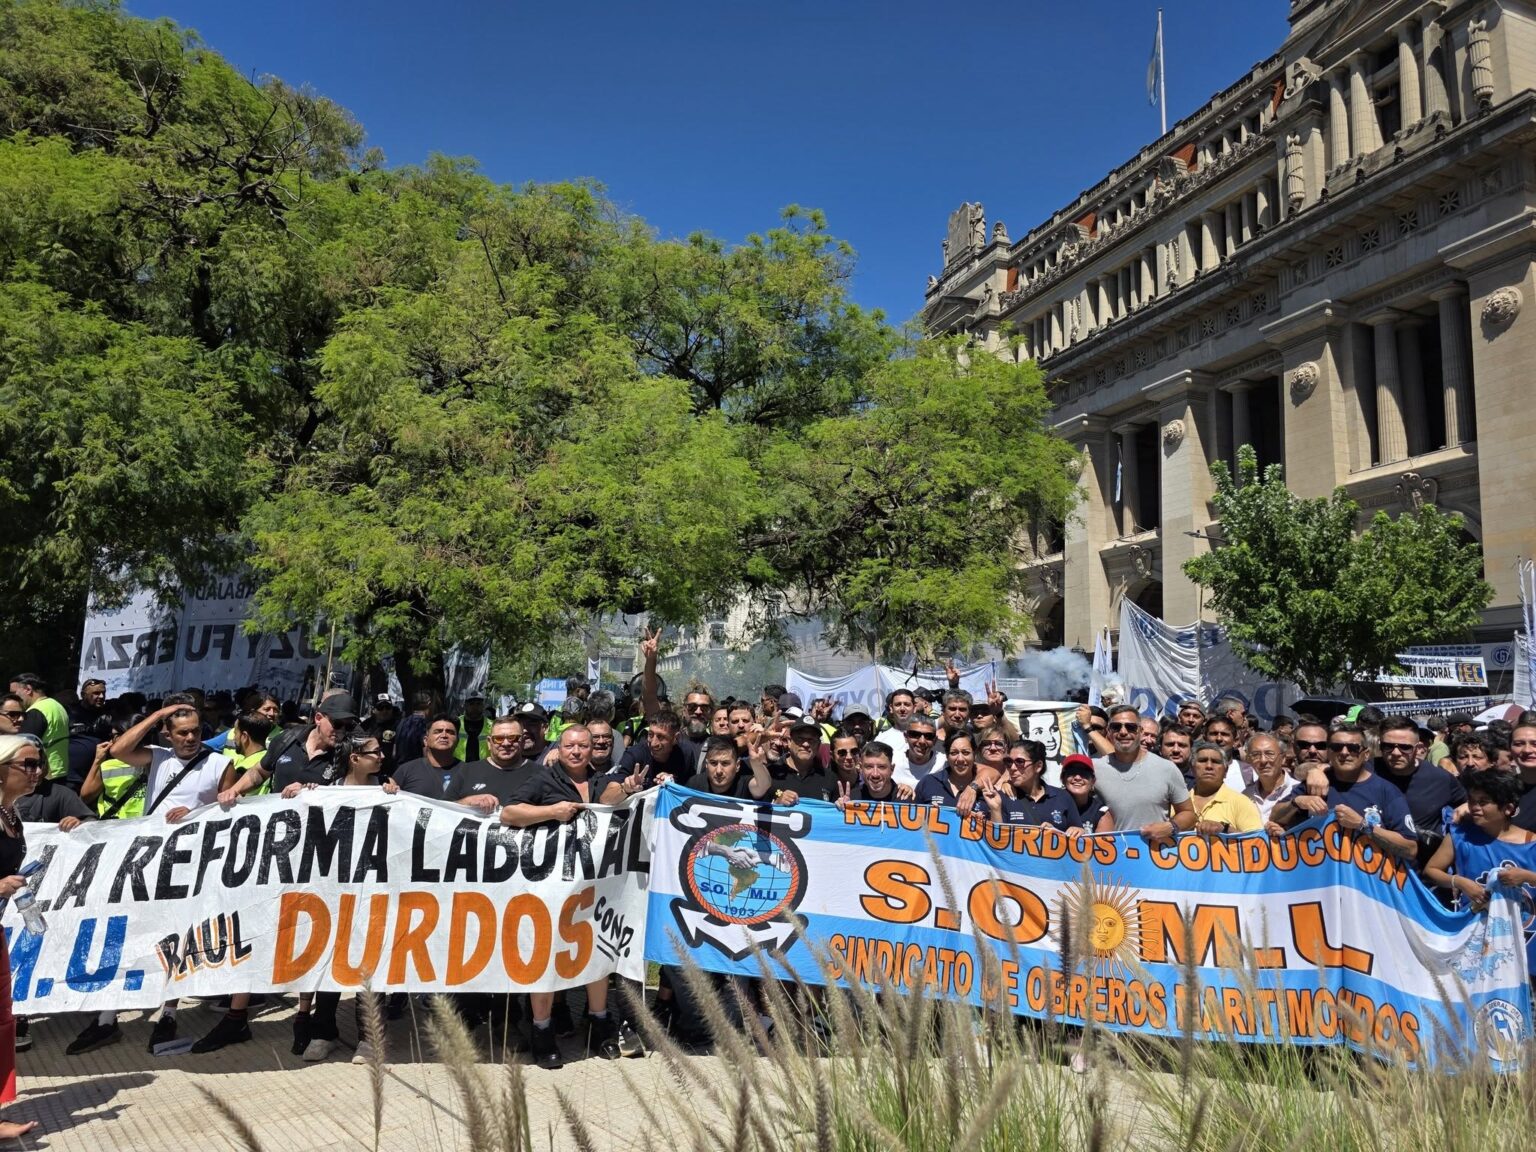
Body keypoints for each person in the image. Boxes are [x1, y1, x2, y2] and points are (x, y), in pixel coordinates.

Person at [71, 703, 236, 1055]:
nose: (190, 738)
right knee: (128, 935)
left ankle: (168, 1015)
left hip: (191, 865)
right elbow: (118, 751)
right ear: (168, 734)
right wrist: (157, 715)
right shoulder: (159, 758)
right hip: (147, 861)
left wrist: (196, 813)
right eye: (181, 732)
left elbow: (232, 809)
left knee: (176, 941)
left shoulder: (220, 764)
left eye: (194, 731)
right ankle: (106, 1018)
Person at [500, 727, 629, 1067]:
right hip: (548, 886)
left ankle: (600, 1025)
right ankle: (541, 1030)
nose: (576, 752)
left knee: (597, 952)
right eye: (570, 745)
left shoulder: (601, 781)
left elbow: (612, 798)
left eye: (583, 746)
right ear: (560, 748)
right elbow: (509, 813)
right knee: (546, 955)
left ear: (592, 750)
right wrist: (551, 812)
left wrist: (626, 789)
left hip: (593, 887)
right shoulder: (543, 780)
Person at [1423, 770, 1536, 969]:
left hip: (1523, 936)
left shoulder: (1531, 843)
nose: (1474, 807)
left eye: (1483, 802)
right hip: (1474, 932)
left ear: (1508, 808)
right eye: (1472, 800)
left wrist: (1526, 876)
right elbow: (1431, 870)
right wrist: (1459, 882)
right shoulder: (1461, 836)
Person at [1271, 723, 1416, 857]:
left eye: (1353, 748)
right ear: (1329, 752)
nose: (1344, 753)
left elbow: (1410, 849)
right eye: (1337, 747)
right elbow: (1275, 817)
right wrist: (1297, 802)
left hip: (1365, 881)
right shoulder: (1314, 784)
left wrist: (1362, 825)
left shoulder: (1386, 791)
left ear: (1365, 754)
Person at [0, 737, 41, 1138]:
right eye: (27, 764)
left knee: (1, 1021)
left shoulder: (11, 812)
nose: (37, 770)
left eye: (39, 763)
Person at [1093, 705, 1195, 845]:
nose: (1123, 732)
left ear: (1140, 731)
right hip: (1112, 860)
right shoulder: (1095, 768)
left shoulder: (1166, 768)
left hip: (1155, 858)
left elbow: (1189, 814)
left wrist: (1171, 827)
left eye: (1130, 727)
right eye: (1116, 727)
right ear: (1109, 732)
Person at [1374, 716, 1466, 867]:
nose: (1396, 752)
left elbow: (1471, 804)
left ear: (1418, 748)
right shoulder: (1367, 771)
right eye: (1388, 746)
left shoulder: (1440, 778)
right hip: (1373, 871)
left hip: (1421, 874)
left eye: (1405, 747)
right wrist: (1319, 771)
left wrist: (1466, 806)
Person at [981, 740, 1077, 833]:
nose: (1013, 768)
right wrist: (995, 810)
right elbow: (997, 841)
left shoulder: (1062, 797)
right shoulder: (1002, 797)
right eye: (1009, 762)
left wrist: (1057, 833)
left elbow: (1080, 836)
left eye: (1020, 762)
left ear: (1038, 766)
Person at [445, 716, 539, 809]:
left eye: (513, 737)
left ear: (522, 741)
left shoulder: (539, 774)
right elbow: (443, 808)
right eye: (499, 738)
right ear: (489, 743)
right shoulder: (467, 771)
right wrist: (467, 802)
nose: (506, 743)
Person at [1187, 740, 1262, 836]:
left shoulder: (1241, 802)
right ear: (1192, 768)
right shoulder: (1179, 802)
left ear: (1226, 771)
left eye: (1216, 762)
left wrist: (1224, 829)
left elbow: (1257, 842)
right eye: (1202, 761)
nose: (1209, 766)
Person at [8, 673, 69, 783]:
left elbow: (24, 749)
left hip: (42, 776)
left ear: (28, 689)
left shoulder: (35, 712)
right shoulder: (56, 705)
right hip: (60, 771)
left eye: (14, 693)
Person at [391, 714, 462, 797]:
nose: (444, 735)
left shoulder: (468, 772)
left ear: (457, 741)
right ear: (426, 740)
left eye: (450, 732)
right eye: (438, 731)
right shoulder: (406, 771)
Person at [834, 741, 915, 806]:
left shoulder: (906, 800)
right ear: (861, 769)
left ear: (892, 769)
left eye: (881, 767)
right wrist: (840, 812)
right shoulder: (851, 801)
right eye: (869, 767)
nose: (875, 774)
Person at [1241, 734, 1299, 822]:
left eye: (1269, 754)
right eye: (1255, 755)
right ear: (1249, 760)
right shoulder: (1245, 796)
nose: (1263, 760)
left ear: (1283, 758)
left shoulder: (1297, 790)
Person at [888, 715, 945, 789]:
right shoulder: (893, 760)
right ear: (906, 737)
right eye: (915, 735)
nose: (922, 741)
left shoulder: (944, 763)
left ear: (935, 740)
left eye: (928, 736)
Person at [1059, 755, 1113, 832]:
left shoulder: (1101, 812)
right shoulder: (1050, 804)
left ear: (1093, 781)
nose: (1077, 777)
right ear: (1063, 779)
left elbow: (1105, 843)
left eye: (1084, 773)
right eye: (1071, 772)